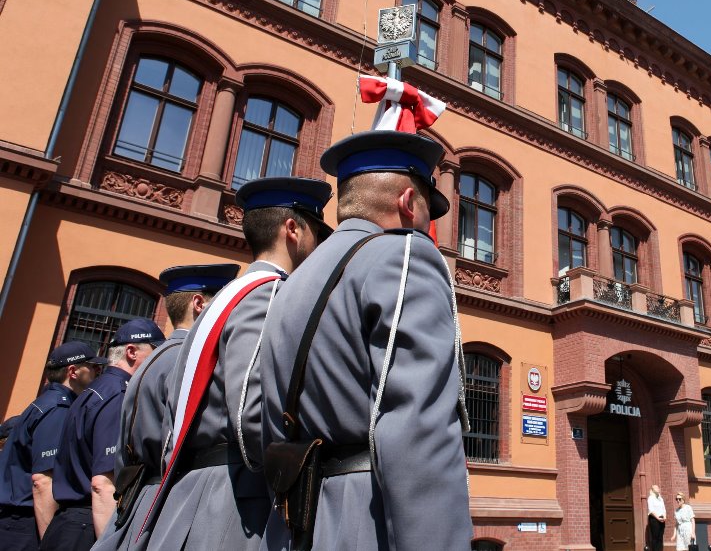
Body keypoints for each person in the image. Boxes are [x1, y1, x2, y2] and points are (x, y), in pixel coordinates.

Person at [261, 131, 472, 550]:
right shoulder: (404, 255)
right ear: (409, 202)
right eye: (429, 214)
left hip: (297, 520)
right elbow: (418, 427)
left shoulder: (292, 281)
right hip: (368, 518)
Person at [144, 177, 331, 551]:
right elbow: (251, 413)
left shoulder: (223, 298)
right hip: (233, 502)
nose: (319, 246)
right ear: (292, 229)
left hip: (195, 491)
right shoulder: (269, 294)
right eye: (316, 232)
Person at [92, 263, 238, 551]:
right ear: (199, 304)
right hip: (173, 504)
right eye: (222, 301)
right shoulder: (190, 362)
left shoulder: (154, 360)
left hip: (141, 501)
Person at [40, 320, 164, 551]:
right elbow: (103, 485)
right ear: (131, 352)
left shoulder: (96, 390)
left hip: (70, 523)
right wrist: (111, 545)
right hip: (88, 523)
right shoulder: (118, 395)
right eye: (155, 351)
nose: (160, 360)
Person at [0, 342, 105, 550]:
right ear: (73, 371)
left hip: (18, 522)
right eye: (92, 366)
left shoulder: (48, 402)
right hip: (25, 524)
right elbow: (43, 482)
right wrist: (49, 541)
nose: (97, 372)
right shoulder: (58, 409)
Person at [647, 484, 667, 551]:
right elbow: (651, 510)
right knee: (655, 538)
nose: (658, 488)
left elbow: (664, 509)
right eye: (656, 487)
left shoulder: (660, 499)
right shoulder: (651, 498)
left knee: (660, 537)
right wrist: (658, 518)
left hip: (662, 519)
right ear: (652, 490)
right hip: (654, 519)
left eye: (658, 487)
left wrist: (664, 517)